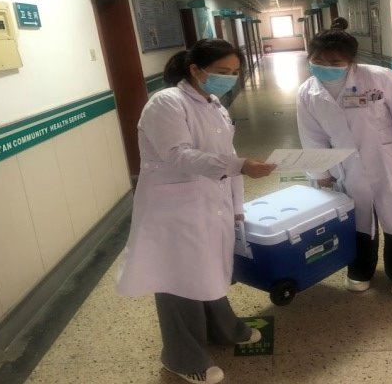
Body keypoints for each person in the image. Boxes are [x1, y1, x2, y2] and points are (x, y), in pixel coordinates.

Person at [117, 39, 276, 384]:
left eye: (234, 72)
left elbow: (227, 154)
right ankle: (181, 357)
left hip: (209, 201)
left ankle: (223, 329)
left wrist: (236, 204)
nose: (229, 78)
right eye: (221, 71)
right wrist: (239, 166)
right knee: (177, 278)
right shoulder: (166, 103)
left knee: (208, 268)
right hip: (174, 208)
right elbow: (178, 155)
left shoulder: (214, 104)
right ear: (195, 70)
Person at [296, 30, 392, 298]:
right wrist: (320, 172)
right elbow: (311, 136)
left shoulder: (380, 77)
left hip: (391, 162)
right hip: (346, 166)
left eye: (335, 63)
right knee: (356, 222)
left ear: (351, 61)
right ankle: (360, 271)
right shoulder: (307, 92)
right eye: (319, 61)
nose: (326, 68)